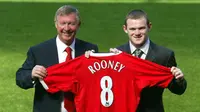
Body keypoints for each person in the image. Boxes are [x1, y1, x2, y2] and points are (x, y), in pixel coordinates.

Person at [16, 5, 98, 112]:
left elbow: (102, 78)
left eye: (71, 24)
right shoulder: (38, 51)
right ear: (56, 24)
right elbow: (20, 78)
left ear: (78, 25)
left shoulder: (90, 50)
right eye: (62, 23)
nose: (67, 28)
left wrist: (114, 56)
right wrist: (31, 74)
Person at [110, 9, 187, 112]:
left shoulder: (164, 55)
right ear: (125, 29)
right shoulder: (116, 54)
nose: (137, 33)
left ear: (149, 26)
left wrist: (179, 79)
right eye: (132, 29)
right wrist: (90, 57)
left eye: (141, 28)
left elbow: (178, 90)